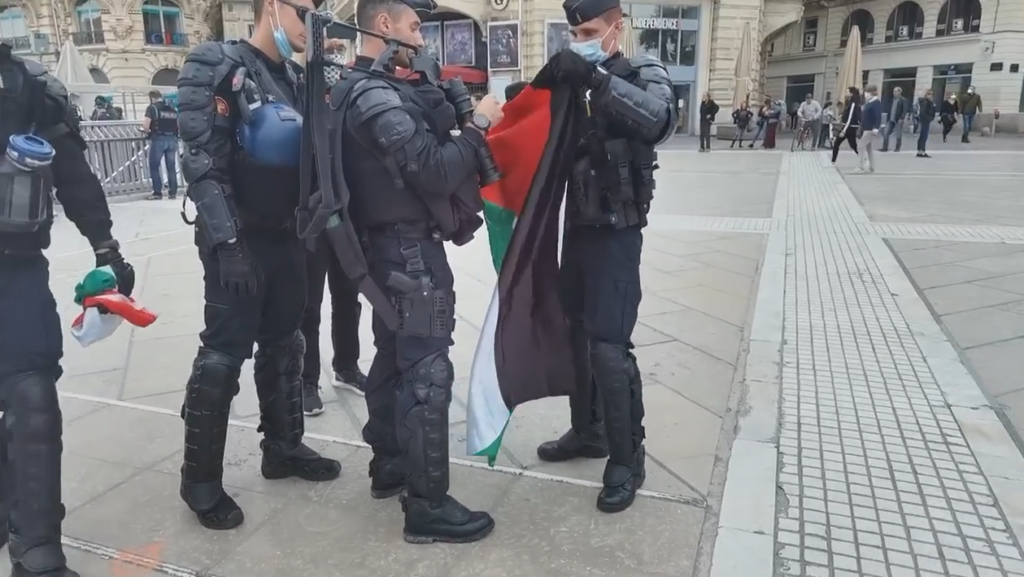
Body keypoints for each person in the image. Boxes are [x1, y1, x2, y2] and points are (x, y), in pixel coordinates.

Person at [329, 0, 503, 543]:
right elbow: (433, 170)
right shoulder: (372, 93)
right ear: (384, 25)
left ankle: (390, 466)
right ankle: (427, 506)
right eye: (414, 26)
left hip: (391, 253)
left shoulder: (367, 88)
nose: (421, 38)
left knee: (394, 356)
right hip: (407, 257)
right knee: (427, 371)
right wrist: (479, 125)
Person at [174, 0, 342, 532]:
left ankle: (283, 447)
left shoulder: (296, 78)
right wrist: (228, 244)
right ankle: (200, 478)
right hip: (237, 237)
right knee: (223, 356)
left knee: (286, 343)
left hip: (286, 235)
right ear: (272, 6)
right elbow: (201, 161)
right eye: (304, 11)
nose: (312, 23)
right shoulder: (215, 63)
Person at [535, 0, 676, 514]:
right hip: (577, 226)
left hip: (618, 231)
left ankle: (627, 458)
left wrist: (596, 80)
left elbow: (660, 121)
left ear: (617, 27)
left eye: (590, 31)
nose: (580, 41)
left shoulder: (643, 71)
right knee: (576, 333)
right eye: (574, 33)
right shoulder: (575, 77)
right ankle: (588, 430)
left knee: (609, 347)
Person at [0, 42, 135, 577]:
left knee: (32, 395)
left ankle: (36, 547)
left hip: (14, 267)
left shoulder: (26, 85)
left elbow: (73, 171)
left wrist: (105, 245)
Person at [299, 233, 367, 416]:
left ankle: (346, 367)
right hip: (310, 229)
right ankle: (307, 382)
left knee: (349, 299)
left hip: (344, 225)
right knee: (309, 309)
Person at [143, 89, 179, 200]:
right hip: (172, 139)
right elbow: (178, 125)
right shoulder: (172, 109)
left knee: (154, 166)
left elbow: (146, 125)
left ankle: (157, 193)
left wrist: (147, 132)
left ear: (152, 98)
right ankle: (172, 192)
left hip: (159, 139)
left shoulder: (152, 108)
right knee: (171, 167)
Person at [831, 86, 861, 164]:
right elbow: (847, 114)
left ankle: (833, 161)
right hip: (848, 126)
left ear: (851, 93)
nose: (846, 93)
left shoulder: (853, 103)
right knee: (851, 144)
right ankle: (833, 161)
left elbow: (850, 117)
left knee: (841, 143)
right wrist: (841, 117)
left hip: (849, 127)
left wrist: (844, 130)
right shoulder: (850, 102)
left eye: (847, 91)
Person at [858, 84, 881, 173]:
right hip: (866, 128)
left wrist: (876, 127)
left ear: (871, 92)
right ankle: (872, 167)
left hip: (870, 128)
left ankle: (861, 166)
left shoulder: (876, 102)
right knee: (869, 148)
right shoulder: (869, 102)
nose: (865, 94)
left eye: (867, 92)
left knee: (861, 146)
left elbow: (877, 116)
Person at [880, 86, 907, 152]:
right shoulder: (892, 100)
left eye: (895, 91)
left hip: (898, 119)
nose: (894, 93)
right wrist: (887, 119)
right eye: (894, 91)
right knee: (886, 133)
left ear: (899, 92)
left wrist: (901, 118)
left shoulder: (903, 100)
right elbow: (890, 110)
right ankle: (885, 147)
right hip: (891, 119)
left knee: (898, 134)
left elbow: (904, 110)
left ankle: (897, 147)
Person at [916, 88, 936, 158]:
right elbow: (923, 112)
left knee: (923, 135)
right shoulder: (926, 102)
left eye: (932, 94)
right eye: (929, 94)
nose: (931, 96)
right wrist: (929, 118)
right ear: (926, 95)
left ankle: (920, 151)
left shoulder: (929, 102)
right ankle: (922, 151)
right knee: (924, 136)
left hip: (926, 120)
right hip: (925, 120)